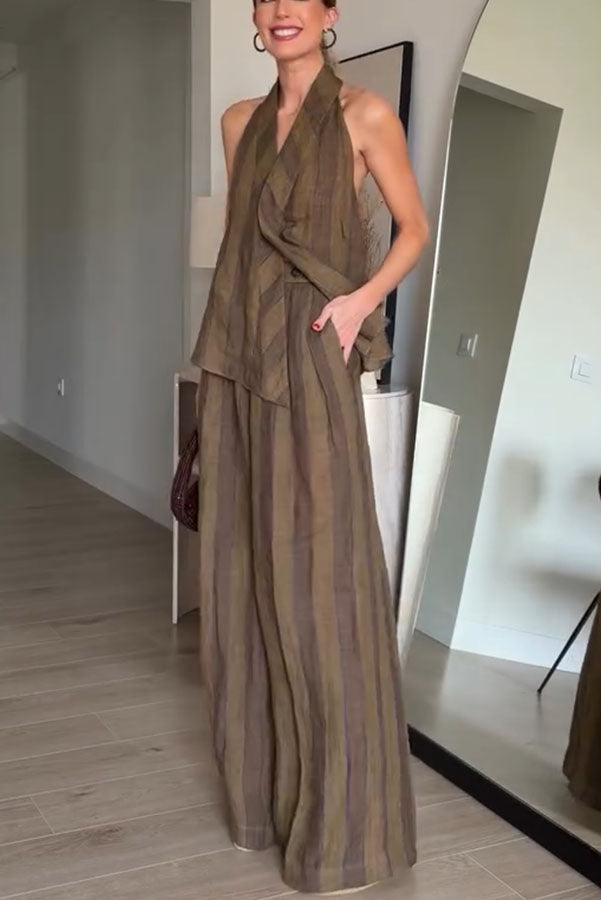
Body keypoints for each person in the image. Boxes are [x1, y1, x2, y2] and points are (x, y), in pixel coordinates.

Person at [191, 0, 429, 894]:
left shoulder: (364, 114)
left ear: (329, 13)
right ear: (256, 17)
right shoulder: (238, 122)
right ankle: (265, 804)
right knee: (242, 576)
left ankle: (345, 835)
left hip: (315, 360)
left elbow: (413, 229)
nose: (283, 10)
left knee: (324, 592)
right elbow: (245, 250)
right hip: (236, 362)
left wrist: (361, 302)